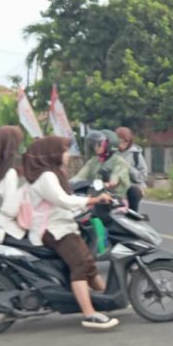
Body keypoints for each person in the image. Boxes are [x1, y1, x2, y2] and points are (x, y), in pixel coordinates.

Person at [22, 136, 118, 330]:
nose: (67, 155)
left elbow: (67, 199)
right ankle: (89, 314)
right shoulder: (46, 176)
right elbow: (63, 200)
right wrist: (93, 200)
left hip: (61, 225)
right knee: (80, 264)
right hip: (54, 230)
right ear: (53, 153)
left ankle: (107, 299)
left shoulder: (53, 173)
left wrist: (85, 205)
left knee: (88, 261)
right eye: (64, 151)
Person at [73, 130, 132, 199]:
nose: (96, 147)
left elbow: (115, 178)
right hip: (95, 196)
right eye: (94, 144)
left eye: (99, 144)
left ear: (109, 144)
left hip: (115, 198)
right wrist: (71, 184)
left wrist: (109, 183)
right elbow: (81, 175)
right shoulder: (93, 161)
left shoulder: (119, 161)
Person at [115, 127, 148, 212]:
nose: (122, 144)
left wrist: (128, 168)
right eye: (119, 141)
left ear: (129, 141)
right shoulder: (111, 153)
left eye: (125, 142)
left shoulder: (135, 154)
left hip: (132, 186)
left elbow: (142, 176)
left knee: (134, 192)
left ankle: (133, 215)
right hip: (114, 186)